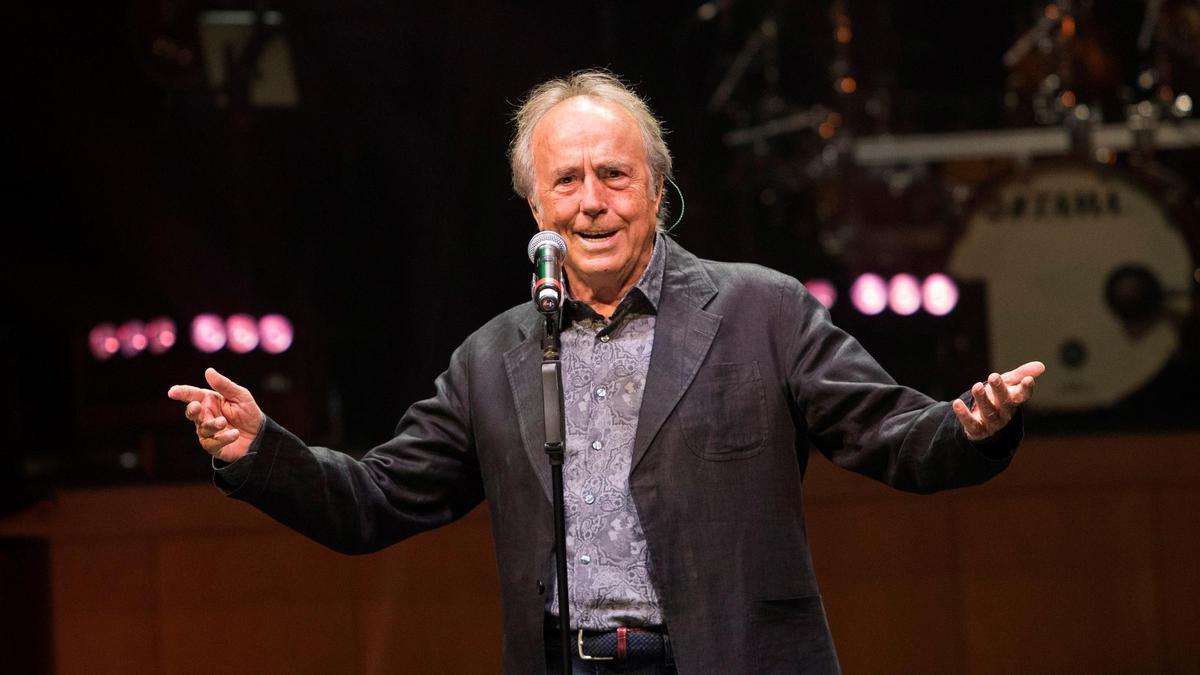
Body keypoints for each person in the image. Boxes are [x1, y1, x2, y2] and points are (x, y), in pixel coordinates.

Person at [168, 70, 1043, 674]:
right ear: (536, 205)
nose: (593, 201)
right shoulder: (493, 355)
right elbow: (374, 499)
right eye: (569, 180)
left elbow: (890, 432)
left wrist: (970, 424)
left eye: (615, 176)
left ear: (656, 191)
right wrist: (259, 451)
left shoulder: (760, 311)